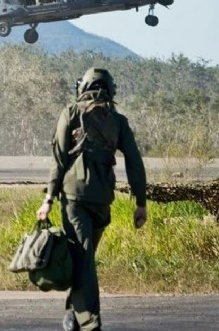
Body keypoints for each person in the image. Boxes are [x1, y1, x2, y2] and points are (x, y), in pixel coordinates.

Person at [37, 67, 148, 331]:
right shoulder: (118, 121)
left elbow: (59, 158)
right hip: (102, 200)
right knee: (83, 258)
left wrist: (49, 197)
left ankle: (89, 322)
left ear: (82, 87)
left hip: (74, 198)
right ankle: (73, 315)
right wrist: (141, 202)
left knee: (83, 258)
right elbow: (134, 162)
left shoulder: (71, 113)